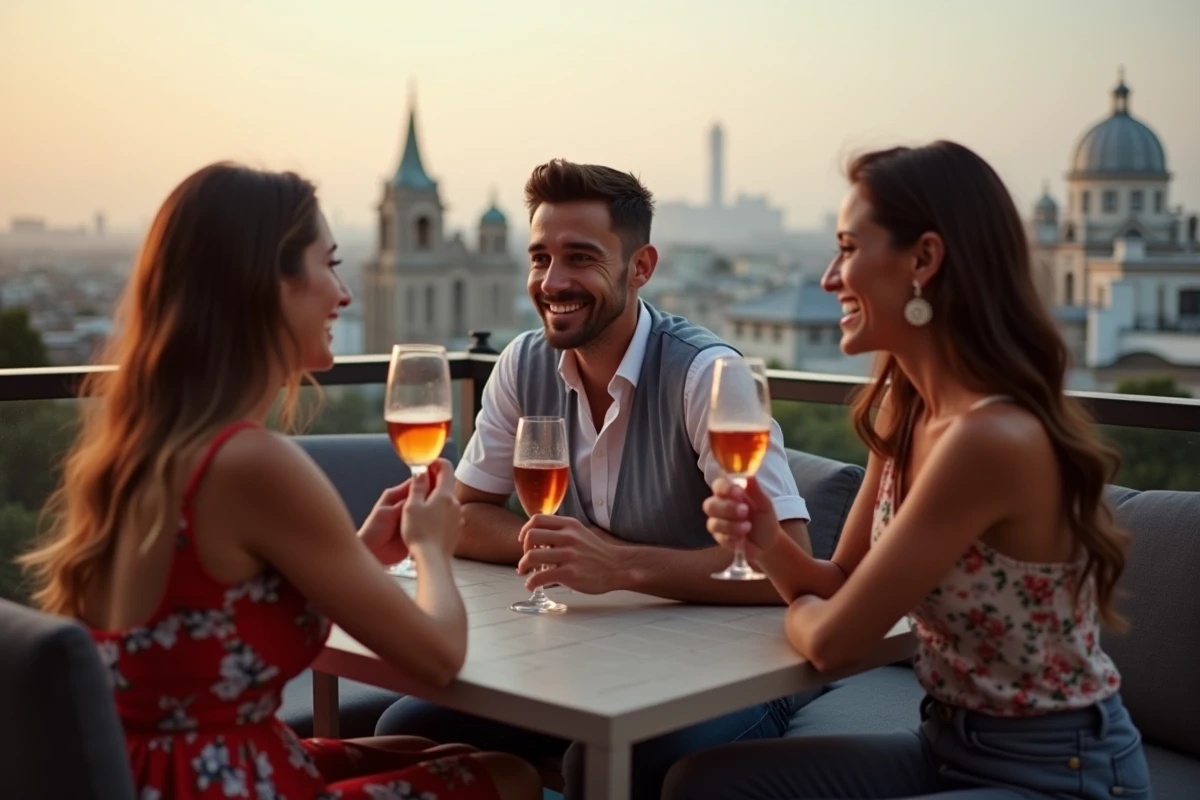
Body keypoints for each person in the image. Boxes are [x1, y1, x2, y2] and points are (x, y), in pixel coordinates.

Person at [19, 163, 540, 800]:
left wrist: (360, 551)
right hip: (210, 780)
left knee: (428, 750)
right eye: (330, 265)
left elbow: (220, 602)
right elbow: (439, 656)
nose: (343, 295)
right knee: (510, 775)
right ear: (267, 285)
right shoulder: (252, 461)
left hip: (153, 765)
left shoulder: (146, 443)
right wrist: (432, 545)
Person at [662, 141, 1153, 800]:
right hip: (946, 745)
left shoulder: (987, 439)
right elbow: (839, 581)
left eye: (847, 248)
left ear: (923, 259)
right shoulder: (907, 407)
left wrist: (802, 615)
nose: (829, 278)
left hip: (1059, 772)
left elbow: (834, 643)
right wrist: (766, 541)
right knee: (701, 783)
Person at [375, 159, 817, 798]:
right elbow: (463, 516)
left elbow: (790, 565)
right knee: (409, 728)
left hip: (733, 669)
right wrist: (569, 550)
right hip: (593, 654)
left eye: (580, 258)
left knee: (610, 763)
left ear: (641, 268)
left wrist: (620, 565)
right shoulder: (523, 363)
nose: (552, 281)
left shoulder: (705, 376)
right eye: (540, 258)